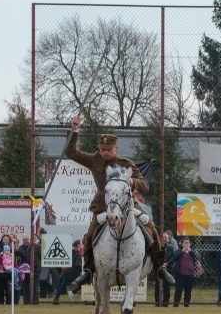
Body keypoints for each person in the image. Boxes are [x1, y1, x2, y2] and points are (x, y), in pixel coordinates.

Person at [65, 116, 174, 287]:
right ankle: (88, 270)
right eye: (102, 149)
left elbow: (144, 184)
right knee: (91, 233)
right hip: (103, 204)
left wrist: (133, 182)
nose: (105, 152)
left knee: (150, 227)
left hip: (127, 205)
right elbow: (70, 152)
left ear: (116, 148)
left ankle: (160, 267)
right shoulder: (94, 159)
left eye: (108, 149)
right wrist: (75, 130)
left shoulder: (126, 164)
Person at [168, 237, 199, 307]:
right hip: (180, 274)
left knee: (188, 291)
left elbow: (197, 257)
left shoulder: (193, 251)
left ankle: (186, 304)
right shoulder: (179, 251)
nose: (186, 244)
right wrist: (182, 251)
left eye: (187, 243)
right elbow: (174, 257)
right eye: (184, 243)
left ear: (190, 244)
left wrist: (190, 251)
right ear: (182, 244)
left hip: (190, 275)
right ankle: (176, 304)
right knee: (179, 290)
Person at [52, 240, 83, 304]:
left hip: (67, 272)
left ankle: (56, 298)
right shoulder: (79, 254)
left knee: (62, 285)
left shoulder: (69, 252)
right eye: (81, 244)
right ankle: (73, 292)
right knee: (82, 284)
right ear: (78, 245)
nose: (82, 245)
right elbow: (78, 265)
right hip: (74, 273)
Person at [156, 230, 178, 307]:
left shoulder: (171, 248)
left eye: (166, 237)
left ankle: (165, 302)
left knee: (166, 286)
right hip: (158, 268)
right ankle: (157, 302)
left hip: (168, 268)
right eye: (163, 237)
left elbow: (173, 258)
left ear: (168, 238)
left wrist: (167, 263)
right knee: (157, 286)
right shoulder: (156, 247)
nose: (164, 239)